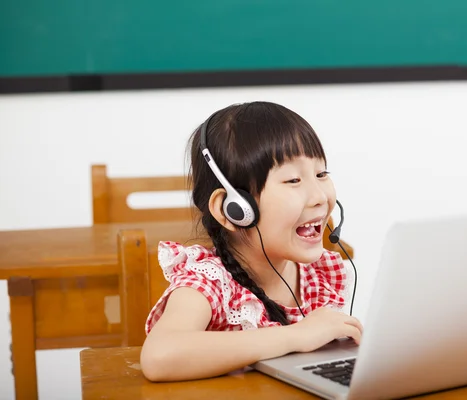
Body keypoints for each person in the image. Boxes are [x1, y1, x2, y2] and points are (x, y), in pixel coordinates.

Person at [140, 101, 363, 382]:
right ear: (235, 209)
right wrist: (294, 336)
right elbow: (160, 356)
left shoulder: (318, 275)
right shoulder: (210, 282)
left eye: (321, 174)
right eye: (293, 180)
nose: (320, 196)